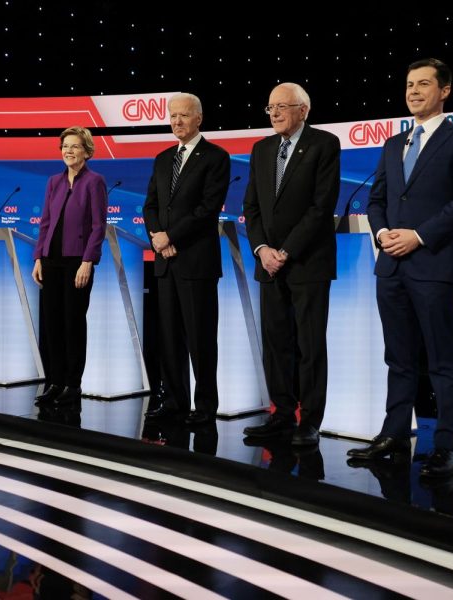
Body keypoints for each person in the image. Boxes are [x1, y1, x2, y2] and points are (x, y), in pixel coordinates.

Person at [348, 59, 453, 477]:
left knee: (444, 359)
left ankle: (446, 445)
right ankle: (394, 433)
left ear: (444, 90)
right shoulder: (394, 143)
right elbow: (377, 200)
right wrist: (383, 232)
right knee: (399, 357)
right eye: (409, 84)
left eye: (423, 84)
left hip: (433, 264)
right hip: (391, 266)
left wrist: (418, 235)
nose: (413, 91)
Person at [241, 83, 341, 446]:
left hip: (306, 263)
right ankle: (281, 414)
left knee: (310, 344)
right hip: (268, 264)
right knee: (275, 343)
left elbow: (321, 206)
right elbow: (250, 207)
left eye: (282, 106)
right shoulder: (261, 149)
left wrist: (286, 251)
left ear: (304, 110)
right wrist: (262, 249)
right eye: (270, 108)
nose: (276, 113)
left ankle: (310, 421)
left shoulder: (324, 144)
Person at [142, 93, 231, 425]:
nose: (177, 121)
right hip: (166, 262)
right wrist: (157, 236)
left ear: (199, 118)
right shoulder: (163, 158)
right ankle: (175, 401)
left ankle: (205, 407)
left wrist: (171, 237)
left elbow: (207, 209)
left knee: (200, 337)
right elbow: (150, 205)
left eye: (183, 116)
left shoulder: (215, 157)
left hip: (196, 262)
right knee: (170, 337)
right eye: (172, 116)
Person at [31, 127, 108, 406]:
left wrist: (88, 261)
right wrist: (38, 257)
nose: (69, 151)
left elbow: (99, 226)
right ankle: (55, 381)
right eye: (65, 146)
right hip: (51, 260)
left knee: (72, 323)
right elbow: (46, 222)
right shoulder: (54, 181)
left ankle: (72, 385)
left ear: (87, 151)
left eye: (75, 146)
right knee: (52, 323)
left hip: (77, 261)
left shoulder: (94, 181)